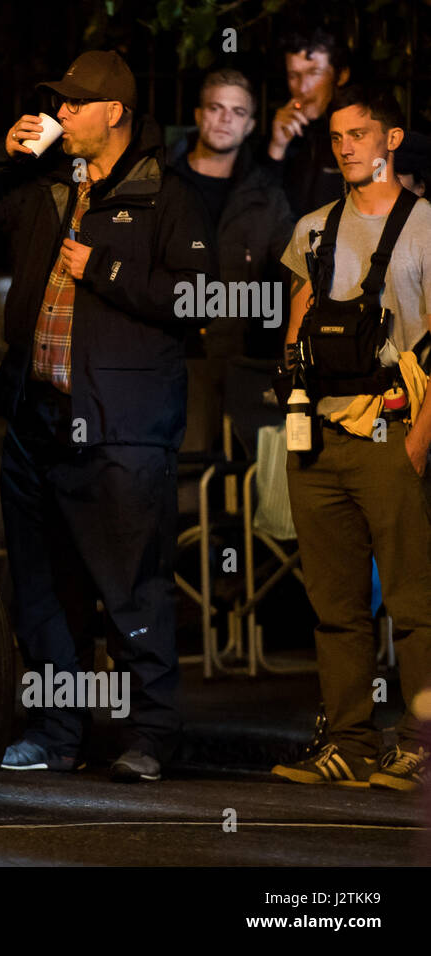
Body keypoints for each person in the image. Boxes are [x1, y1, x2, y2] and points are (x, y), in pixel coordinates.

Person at [0, 50, 214, 782]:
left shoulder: (167, 194)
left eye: (74, 104)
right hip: (36, 418)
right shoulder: (45, 183)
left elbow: (201, 298)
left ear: (115, 112)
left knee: (131, 587)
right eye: (58, 103)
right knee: (44, 591)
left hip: (120, 424)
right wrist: (1, 155)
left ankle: (150, 736)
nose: (60, 113)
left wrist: (103, 269)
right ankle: (57, 732)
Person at [272, 85, 431, 791]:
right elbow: (295, 332)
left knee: (414, 606)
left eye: (360, 134)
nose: (346, 147)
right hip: (320, 439)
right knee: (335, 609)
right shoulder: (313, 228)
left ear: (391, 140)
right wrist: (295, 419)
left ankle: (419, 746)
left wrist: (416, 445)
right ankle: (350, 743)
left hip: (391, 433)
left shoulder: (427, 227)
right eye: (337, 136)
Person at [168, 67, 295, 451]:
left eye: (237, 112)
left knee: (245, 489)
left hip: (244, 362)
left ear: (250, 124)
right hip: (174, 361)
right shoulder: (163, 185)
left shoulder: (266, 197)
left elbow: (296, 269)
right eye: (216, 108)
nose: (225, 119)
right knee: (185, 489)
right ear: (198, 115)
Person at [266, 27, 351, 219]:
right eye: (293, 75)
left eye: (314, 73)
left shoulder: (357, 134)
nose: (302, 88)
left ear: (341, 75)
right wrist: (276, 148)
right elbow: (261, 211)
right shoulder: (286, 133)